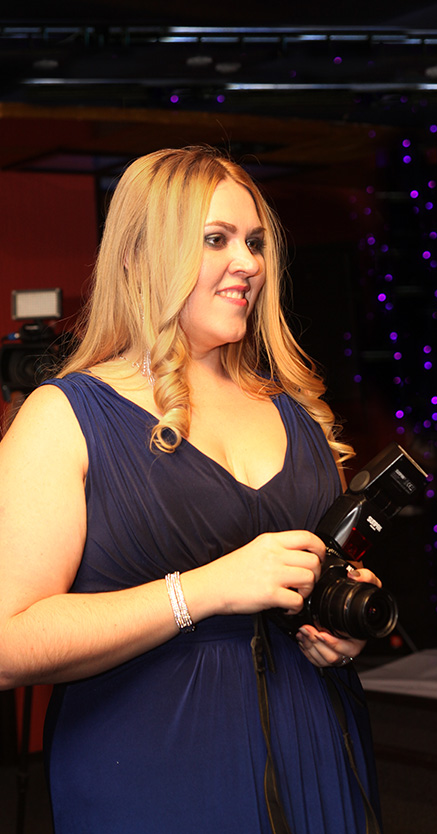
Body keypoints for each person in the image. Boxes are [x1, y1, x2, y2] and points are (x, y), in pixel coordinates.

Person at [0, 147, 384, 833]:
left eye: (255, 242)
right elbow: (7, 644)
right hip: (155, 775)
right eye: (216, 239)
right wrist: (203, 590)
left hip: (317, 747)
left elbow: (312, 585)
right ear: (139, 257)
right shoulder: (64, 417)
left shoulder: (297, 413)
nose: (249, 263)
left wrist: (338, 621)